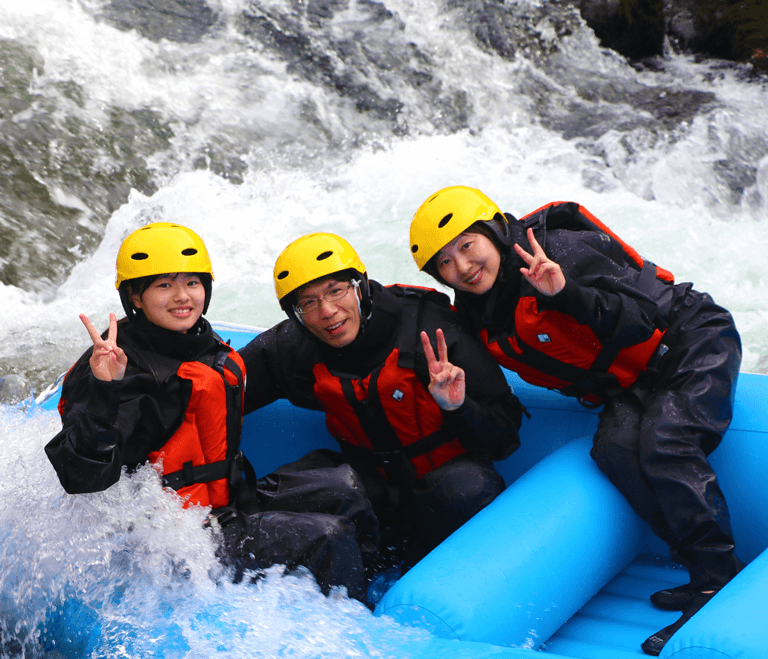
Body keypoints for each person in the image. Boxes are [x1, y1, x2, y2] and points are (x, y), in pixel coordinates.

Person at [408, 186, 743, 656]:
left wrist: (566, 292)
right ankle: (701, 569)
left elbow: (643, 319)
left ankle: (716, 582)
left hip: (691, 340)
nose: (462, 268)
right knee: (616, 452)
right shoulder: (479, 313)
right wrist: (453, 401)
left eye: (467, 246)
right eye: (444, 263)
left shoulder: (559, 250)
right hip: (632, 381)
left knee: (667, 443)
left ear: (495, 233)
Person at [45, 222, 378, 601]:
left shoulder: (198, 341)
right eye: (164, 286)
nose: (182, 297)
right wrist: (105, 390)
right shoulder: (115, 366)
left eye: (192, 283)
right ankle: (347, 630)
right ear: (136, 298)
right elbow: (81, 476)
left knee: (344, 486)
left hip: (226, 505)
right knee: (327, 538)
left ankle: (372, 598)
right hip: (177, 540)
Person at [238, 232, 524, 573]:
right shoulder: (293, 346)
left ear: (360, 287)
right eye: (309, 303)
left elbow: (505, 437)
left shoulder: (430, 328)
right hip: (363, 486)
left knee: (473, 485)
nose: (327, 312)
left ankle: (405, 574)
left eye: (335, 290)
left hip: (434, 489)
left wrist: (458, 407)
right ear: (296, 314)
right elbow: (220, 391)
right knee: (322, 481)